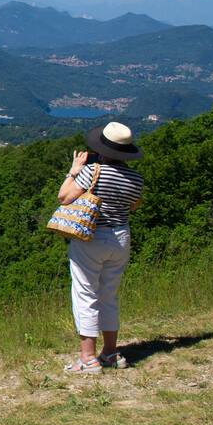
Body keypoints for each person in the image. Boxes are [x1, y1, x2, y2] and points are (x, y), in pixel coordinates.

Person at [56, 121, 144, 374]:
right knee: (108, 295)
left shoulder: (94, 171)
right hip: (121, 237)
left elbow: (64, 197)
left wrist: (73, 171)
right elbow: (133, 205)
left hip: (92, 238)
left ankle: (88, 358)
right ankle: (111, 352)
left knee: (85, 294)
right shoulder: (136, 178)